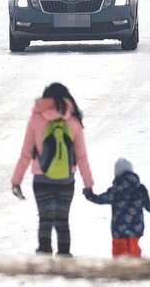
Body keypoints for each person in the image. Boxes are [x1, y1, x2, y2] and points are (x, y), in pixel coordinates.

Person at [11, 82, 94, 256]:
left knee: (45, 219)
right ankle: (64, 258)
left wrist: (16, 181)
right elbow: (81, 157)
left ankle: (44, 254)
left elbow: (26, 154)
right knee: (63, 221)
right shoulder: (72, 120)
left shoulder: (36, 119)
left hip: (42, 179)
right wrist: (88, 183)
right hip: (66, 179)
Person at [84, 158, 150, 257]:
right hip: (136, 230)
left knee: (120, 257)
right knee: (134, 254)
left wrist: (89, 195)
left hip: (119, 231)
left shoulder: (116, 190)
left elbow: (100, 199)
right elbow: (148, 204)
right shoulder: (140, 188)